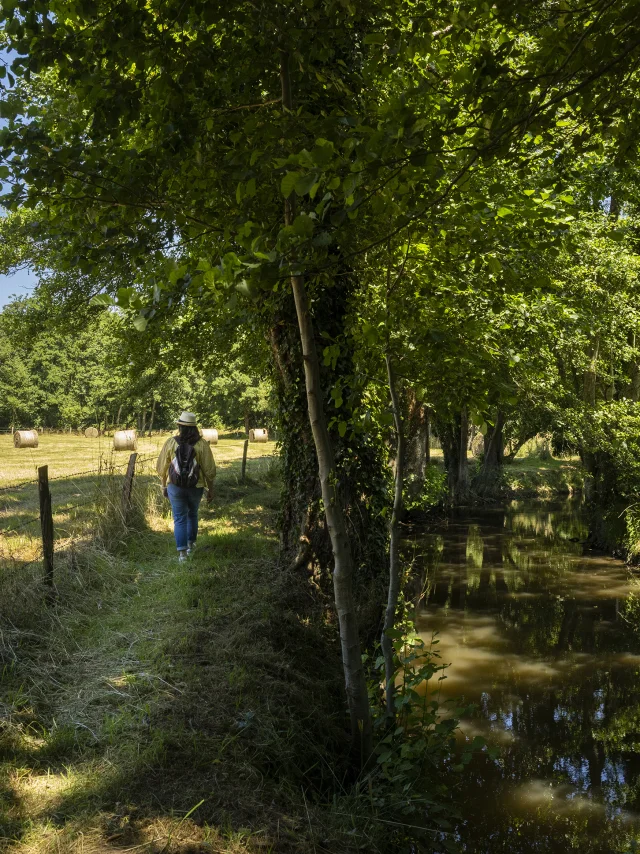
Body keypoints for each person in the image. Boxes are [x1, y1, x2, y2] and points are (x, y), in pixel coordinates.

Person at [156, 411, 216, 561]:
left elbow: (161, 467)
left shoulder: (171, 442)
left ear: (180, 426)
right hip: (196, 486)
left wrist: (163, 486)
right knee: (193, 514)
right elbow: (209, 470)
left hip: (175, 487)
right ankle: (191, 545)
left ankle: (182, 555)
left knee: (179, 519)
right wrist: (211, 489)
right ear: (194, 427)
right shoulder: (202, 444)